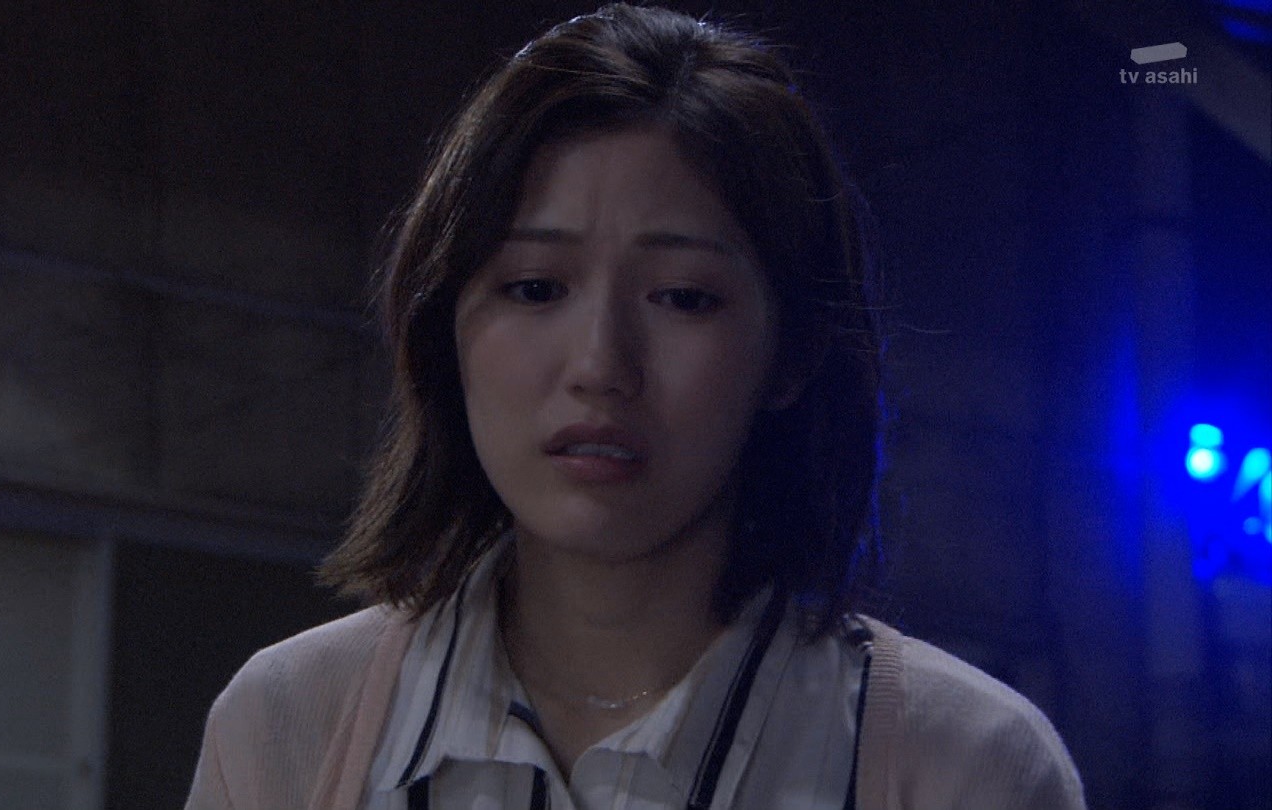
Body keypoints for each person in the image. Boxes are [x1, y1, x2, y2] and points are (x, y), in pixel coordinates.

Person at [184, 4, 1086, 808]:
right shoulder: (290, 722)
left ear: (793, 353)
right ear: (443, 328)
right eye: (535, 287)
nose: (599, 366)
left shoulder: (966, 764)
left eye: (684, 297)